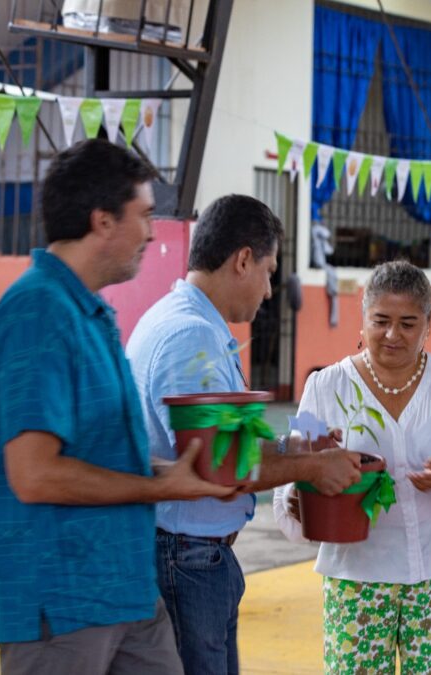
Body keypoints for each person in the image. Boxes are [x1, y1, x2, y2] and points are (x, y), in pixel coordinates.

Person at [0, 139, 238, 675]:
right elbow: (37, 475)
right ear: (102, 221)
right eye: (144, 215)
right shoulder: (37, 311)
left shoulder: (89, 311)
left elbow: (98, 453)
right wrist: (162, 486)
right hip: (58, 596)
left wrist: (179, 473)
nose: (153, 233)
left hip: (123, 584)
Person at [125, 194, 363, 675]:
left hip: (192, 555)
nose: (270, 290)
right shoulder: (191, 337)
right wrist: (313, 466)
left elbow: (231, 440)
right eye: (269, 271)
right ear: (242, 260)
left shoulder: (189, 325)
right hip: (185, 557)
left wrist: (294, 446)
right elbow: (225, 462)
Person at [272, 260, 431, 674]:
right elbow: (296, 465)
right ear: (363, 317)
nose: (393, 335)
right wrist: (298, 493)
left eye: (408, 323)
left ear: (429, 323)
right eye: (382, 321)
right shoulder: (325, 386)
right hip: (355, 574)